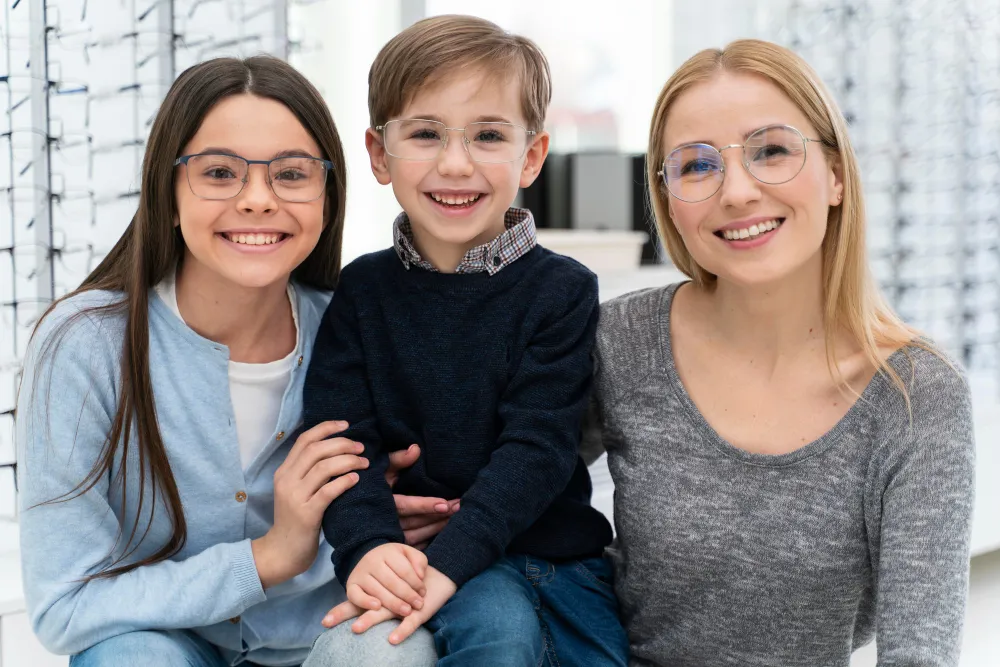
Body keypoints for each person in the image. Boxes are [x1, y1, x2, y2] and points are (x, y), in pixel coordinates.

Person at [16, 55, 450, 666]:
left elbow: (426, 494)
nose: (257, 201)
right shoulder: (84, 345)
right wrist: (273, 555)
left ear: (327, 195)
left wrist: (368, 521)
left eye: (292, 175)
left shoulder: (362, 326)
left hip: (325, 635)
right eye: (219, 172)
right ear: (165, 193)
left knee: (392, 654)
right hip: (163, 643)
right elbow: (66, 606)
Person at [583, 39, 976, 666]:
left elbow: (919, 653)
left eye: (771, 151)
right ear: (669, 201)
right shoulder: (619, 340)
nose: (737, 192)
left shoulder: (916, 396)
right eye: (696, 165)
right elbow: (503, 482)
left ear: (837, 175)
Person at [303, 15, 628, 667]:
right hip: (431, 564)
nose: (456, 162)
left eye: (487, 135)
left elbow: (535, 450)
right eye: (425, 134)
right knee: (498, 633)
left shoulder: (562, 292)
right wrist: (367, 546)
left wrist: (446, 565)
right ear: (377, 153)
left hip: (554, 558)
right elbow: (343, 443)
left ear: (530, 156)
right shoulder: (361, 292)